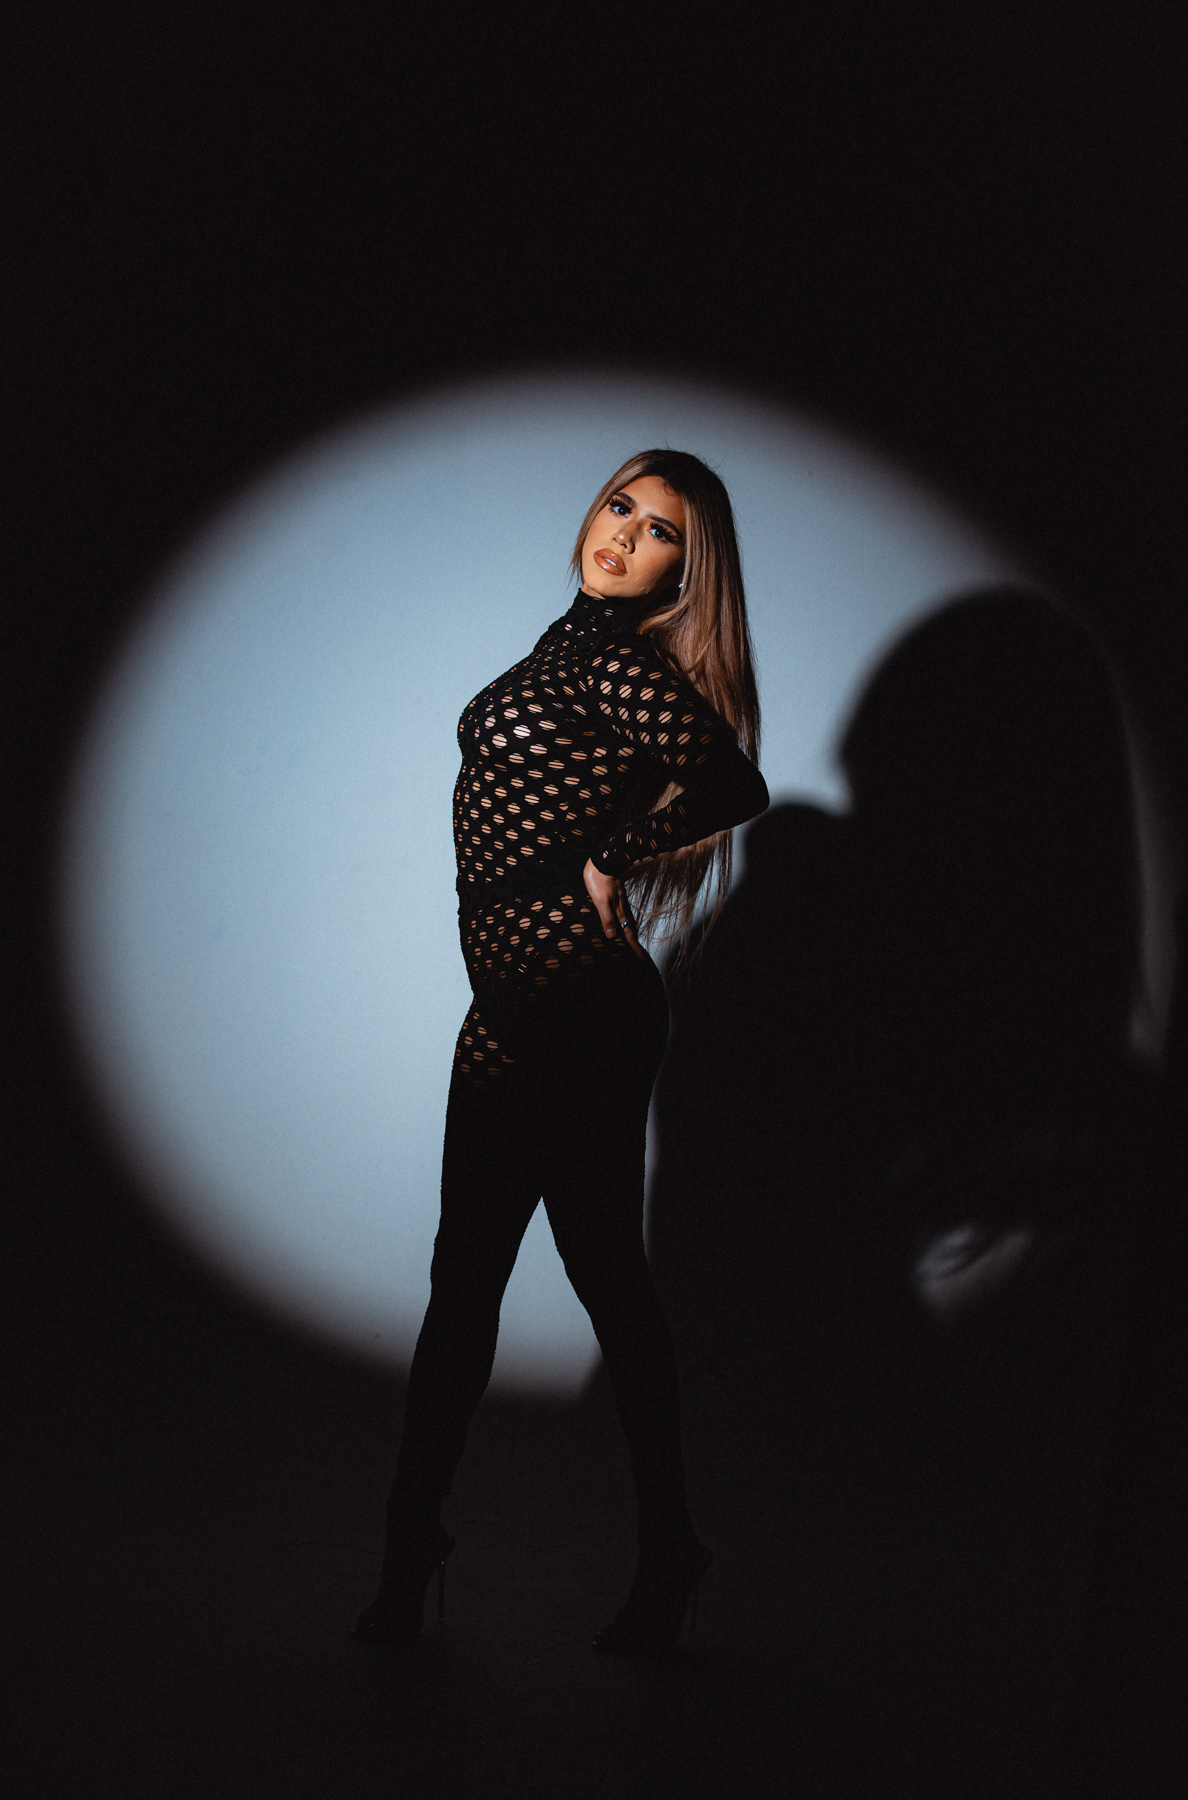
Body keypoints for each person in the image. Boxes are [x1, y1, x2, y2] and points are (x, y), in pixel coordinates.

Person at [352, 448, 769, 1655]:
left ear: (685, 574)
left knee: (595, 1283)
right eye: (621, 506)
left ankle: (651, 1547)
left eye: (662, 533)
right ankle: (414, 1547)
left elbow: (732, 783)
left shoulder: (617, 665)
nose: (625, 536)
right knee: (474, 1285)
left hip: (580, 1007)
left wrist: (613, 854)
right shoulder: (561, 653)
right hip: (508, 1010)